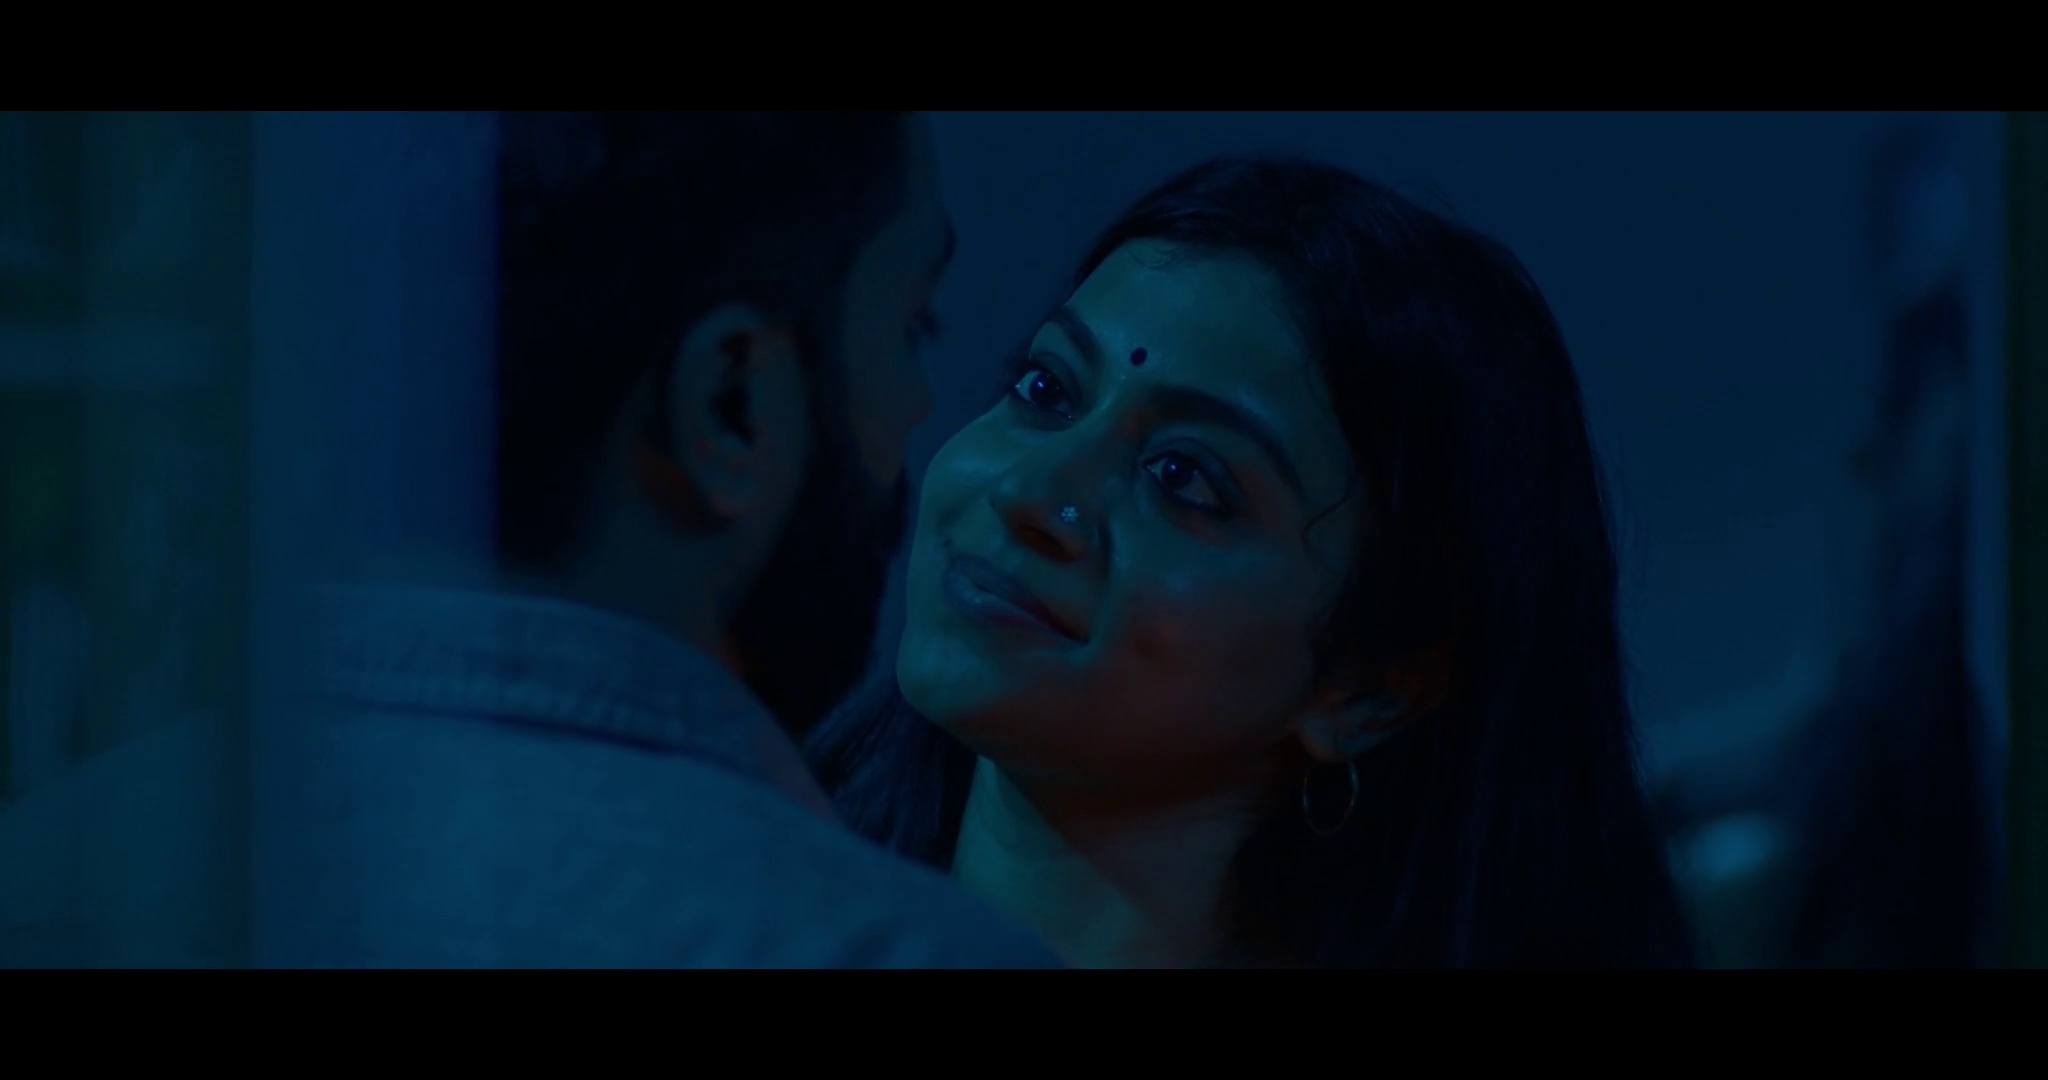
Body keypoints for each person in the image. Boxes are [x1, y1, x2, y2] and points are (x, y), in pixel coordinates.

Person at [808, 153, 1698, 968]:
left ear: (1371, 688)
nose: (1031, 494)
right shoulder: (743, 906)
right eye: (1047, 389)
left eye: (1183, 477)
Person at [262, 112, 1062, 967]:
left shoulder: (165, 838)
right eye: (915, 326)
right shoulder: (888, 949)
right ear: (731, 403)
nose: (923, 407)